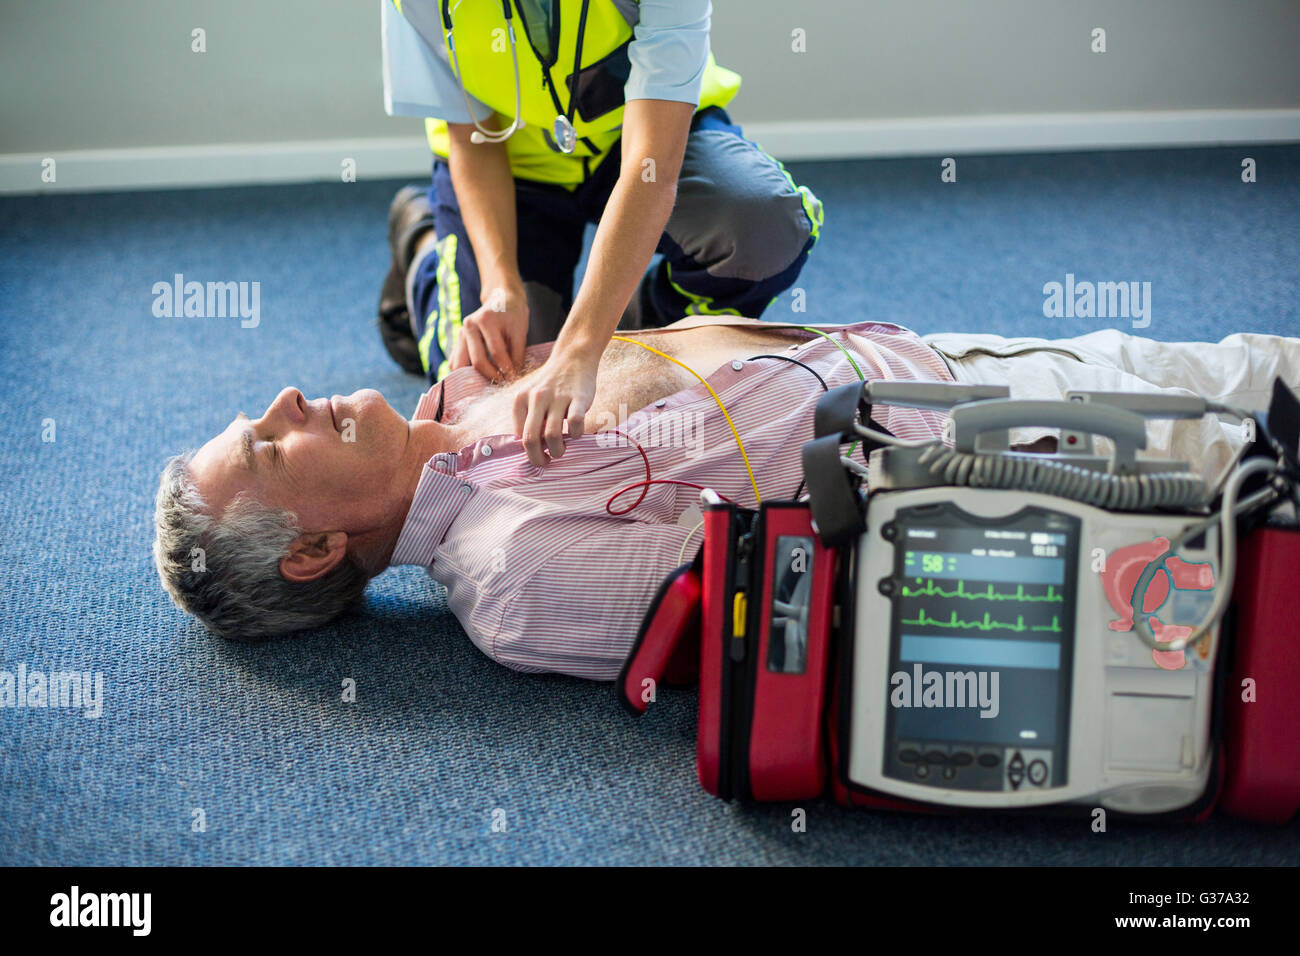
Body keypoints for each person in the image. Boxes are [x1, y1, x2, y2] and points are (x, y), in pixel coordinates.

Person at [154, 318, 1300, 679]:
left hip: (926, 352)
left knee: (1249, 360)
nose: (290, 395)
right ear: (311, 550)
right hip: (1004, 444)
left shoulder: (462, 394)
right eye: (266, 442)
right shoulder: (516, 573)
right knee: (1257, 405)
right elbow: (818, 583)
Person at [376, 0, 824, 467]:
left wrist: (579, 350)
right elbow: (473, 135)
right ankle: (423, 238)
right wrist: (500, 289)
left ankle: (632, 328)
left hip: (642, 145)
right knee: (488, 391)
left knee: (762, 232)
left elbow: (651, 168)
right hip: (512, 167)